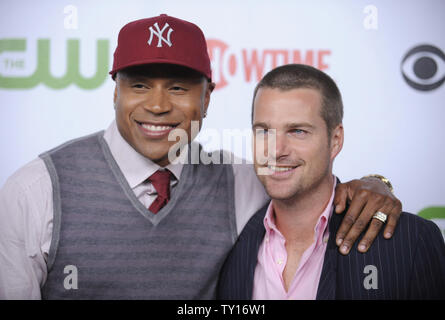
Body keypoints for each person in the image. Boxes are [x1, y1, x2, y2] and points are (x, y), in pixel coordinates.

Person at [0, 15, 401, 300]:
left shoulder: (239, 181)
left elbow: (308, 185)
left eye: (178, 88)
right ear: (115, 92)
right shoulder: (37, 190)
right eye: (139, 85)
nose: (157, 106)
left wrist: (374, 184)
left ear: (207, 98)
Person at [217, 64, 445, 300]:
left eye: (297, 131)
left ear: (335, 140)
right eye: (264, 131)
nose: (275, 150)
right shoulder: (228, 239)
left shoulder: (411, 241)